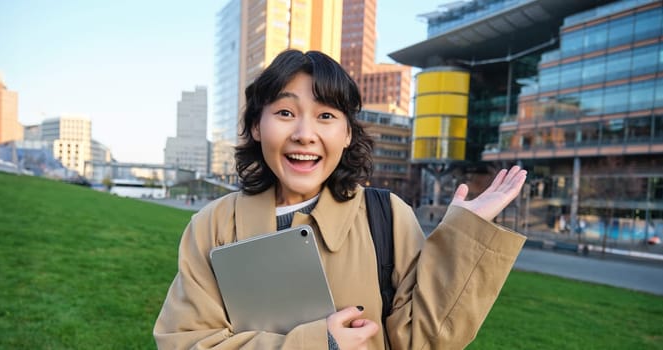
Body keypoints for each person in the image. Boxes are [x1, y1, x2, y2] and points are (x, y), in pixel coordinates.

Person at [152, 50, 527, 349]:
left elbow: (423, 342)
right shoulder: (214, 224)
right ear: (255, 126)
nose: (304, 133)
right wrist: (320, 344)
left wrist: (462, 238)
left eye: (326, 116)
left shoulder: (387, 216)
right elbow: (187, 340)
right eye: (285, 112)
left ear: (347, 134)